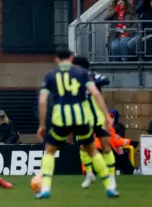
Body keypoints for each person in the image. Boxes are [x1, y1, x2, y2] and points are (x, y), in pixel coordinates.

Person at [35, 46, 118, 199]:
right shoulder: (82, 73)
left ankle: (45, 188)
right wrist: (106, 114)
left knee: (49, 152)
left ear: (56, 59)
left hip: (60, 118)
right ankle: (109, 187)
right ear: (71, 58)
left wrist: (42, 124)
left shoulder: (50, 75)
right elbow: (96, 93)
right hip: (80, 117)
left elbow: (42, 101)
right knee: (92, 150)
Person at [71, 56, 116, 188]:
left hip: (99, 118)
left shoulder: (92, 77)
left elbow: (105, 80)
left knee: (106, 146)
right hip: (83, 120)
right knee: (83, 148)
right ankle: (89, 174)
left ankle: (111, 177)